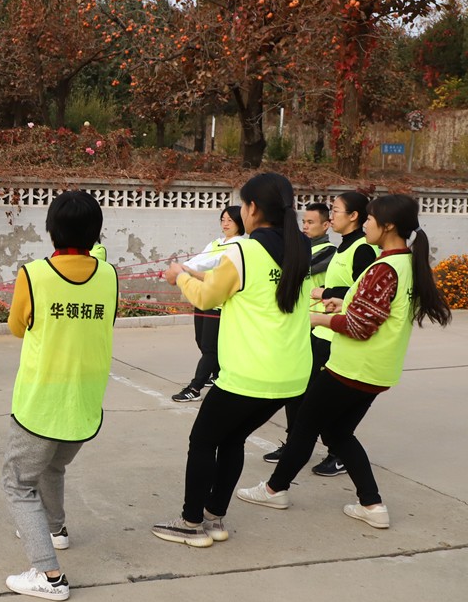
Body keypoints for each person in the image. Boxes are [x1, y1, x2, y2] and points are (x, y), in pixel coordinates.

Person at [237, 194, 452, 529]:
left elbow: (360, 327)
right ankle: (372, 504)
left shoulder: (384, 268)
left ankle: (274, 489)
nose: (366, 224)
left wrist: (317, 319)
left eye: (370, 219)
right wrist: (345, 303)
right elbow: (380, 313)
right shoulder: (407, 263)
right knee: (338, 433)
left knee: (305, 426)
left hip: (352, 367)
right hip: (378, 370)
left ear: (388, 226)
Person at [151, 172, 312, 548]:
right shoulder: (300, 249)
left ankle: (191, 522)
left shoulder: (242, 251)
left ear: (252, 209)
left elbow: (206, 297)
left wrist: (178, 277)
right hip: (290, 376)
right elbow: (238, 289)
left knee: (202, 440)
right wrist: (192, 274)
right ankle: (214, 518)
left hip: (249, 374)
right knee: (233, 438)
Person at [2, 191, 118, 601]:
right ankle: (55, 528)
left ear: (51, 230)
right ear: (96, 232)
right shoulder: (109, 275)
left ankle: (49, 575)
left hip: (41, 404)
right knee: (53, 467)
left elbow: (17, 327)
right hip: (85, 405)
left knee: (18, 483)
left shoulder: (34, 274)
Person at [265, 191, 378, 470]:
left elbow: (364, 294)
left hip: (337, 335)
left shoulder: (363, 249)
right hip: (320, 330)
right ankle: (295, 444)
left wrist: (325, 292)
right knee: (298, 391)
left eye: (336, 210)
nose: (333, 215)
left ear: (354, 216)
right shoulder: (344, 246)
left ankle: (337, 453)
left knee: (319, 400)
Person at [170, 206, 245, 402]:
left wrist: (183, 271)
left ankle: (195, 388)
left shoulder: (239, 246)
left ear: (240, 222)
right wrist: (182, 269)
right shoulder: (216, 243)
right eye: (223, 219)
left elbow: (208, 263)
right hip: (203, 297)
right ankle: (218, 374)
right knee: (201, 341)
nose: (225, 224)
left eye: (230, 220)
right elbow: (200, 259)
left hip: (218, 302)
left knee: (209, 348)